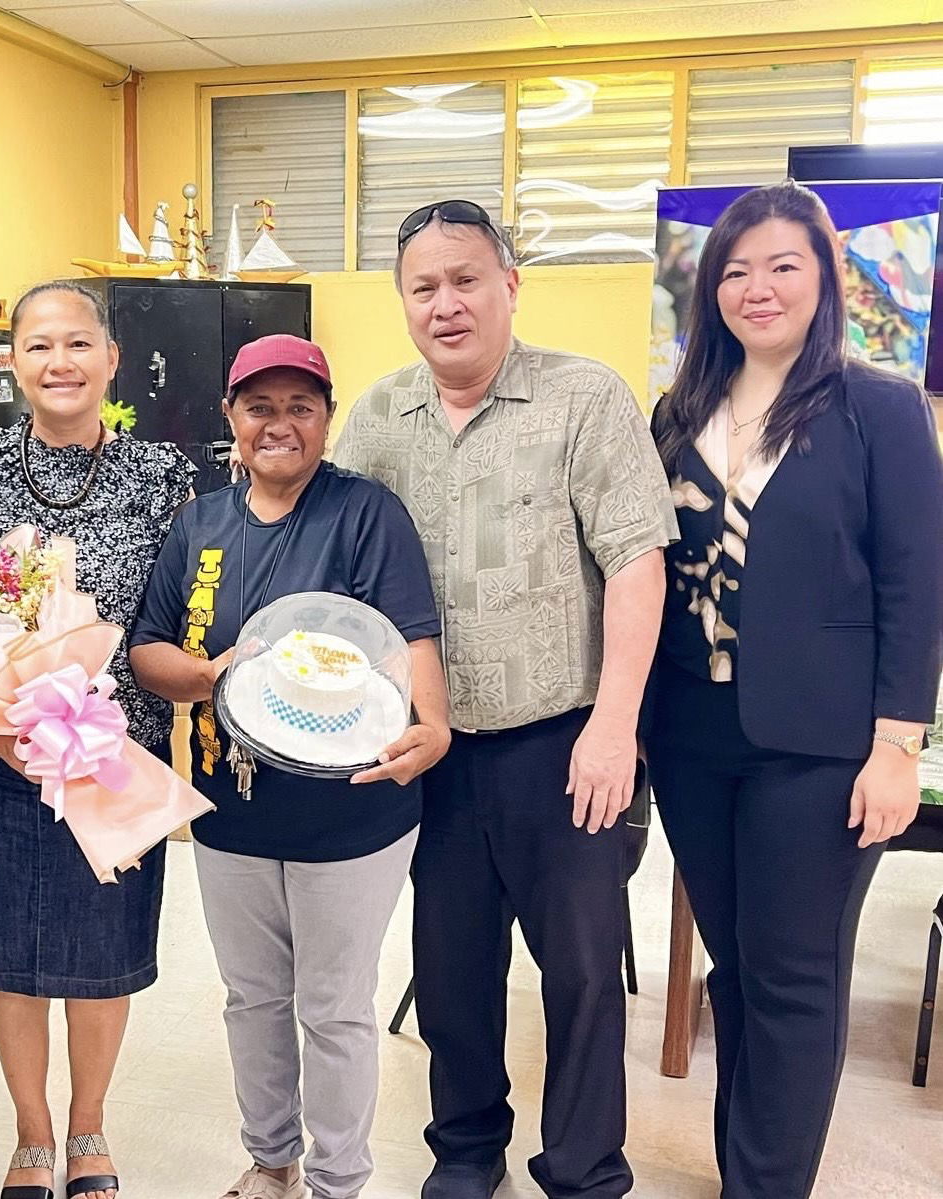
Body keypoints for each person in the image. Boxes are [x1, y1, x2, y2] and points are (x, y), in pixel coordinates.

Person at [332, 201, 678, 1199]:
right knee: (450, 972)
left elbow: (635, 563)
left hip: (561, 741)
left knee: (576, 975)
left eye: (465, 279)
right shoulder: (377, 417)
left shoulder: (581, 397)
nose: (445, 304)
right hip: (431, 747)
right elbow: (340, 571)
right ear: (403, 300)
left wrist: (613, 727)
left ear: (508, 284)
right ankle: (465, 1148)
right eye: (422, 286)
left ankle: (580, 1167)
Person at [644, 181, 943, 1198]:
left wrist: (895, 742)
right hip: (689, 731)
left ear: (825, 276)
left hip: (818, 743)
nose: (755, 287)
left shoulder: (880, 408)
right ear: (706, 287)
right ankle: (747, 1171)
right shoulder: (676, 409)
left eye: (782, 265)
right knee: (733, 970)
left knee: (791, 979)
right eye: (733, 269)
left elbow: (914, 581)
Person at [128, 334, 450, 1199]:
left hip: (352, 812)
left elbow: (412, 633)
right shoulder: (199, 522)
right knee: (253, 998)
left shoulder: (365, 512)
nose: (280, 424)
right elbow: (147, 649)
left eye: (300, 406)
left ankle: (338, 1180)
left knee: (336, 1007)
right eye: (259, 407)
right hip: (228, 806)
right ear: (230, 416)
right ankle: (271, 1162)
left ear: (326, 418)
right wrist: (207, 676)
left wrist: (437, 724)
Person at [0, 278, 194, 1199]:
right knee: (10, 950)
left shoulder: (162, 477)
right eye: (38, 345)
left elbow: (173, 614)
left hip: (117, 752)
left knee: (100, 950)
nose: (59, 362)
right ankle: (31, 1135)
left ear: (111, 359)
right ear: (13, 363)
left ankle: (89, 1127)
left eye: (78, 344)